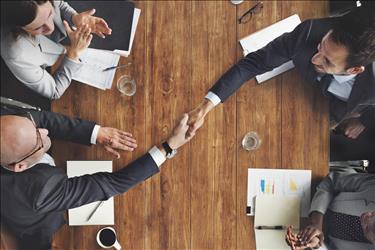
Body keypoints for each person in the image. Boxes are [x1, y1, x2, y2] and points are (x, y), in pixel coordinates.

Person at [0, 106, 195, 250]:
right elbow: (110, 183)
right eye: (37, 140)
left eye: (34, 126)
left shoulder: (9, 126)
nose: (44, 130)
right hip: (42, 227)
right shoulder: (39, 191)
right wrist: (169, 146)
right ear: (19, 166)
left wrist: (96, 133)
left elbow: (41, 118)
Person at [186, 6, 375, 153]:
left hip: (345, 114)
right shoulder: (308, 32)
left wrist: (364, 120)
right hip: (305, 99)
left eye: (327, 61)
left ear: (355, 70)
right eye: (320, 46)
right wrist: (204, 108)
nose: (314, 59)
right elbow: (253, 64)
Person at [0, 0, 112, 99]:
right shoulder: (15, 53)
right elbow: (54, 91)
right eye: (38, 28)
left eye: (49, 14)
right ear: (19, 28)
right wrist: (73, 54)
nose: (50, 28)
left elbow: (60, 4)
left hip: (61, 44)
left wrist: (74, 17)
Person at [285, 171, 375, 250]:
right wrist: (316, 222)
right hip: (310, 192)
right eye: (373, 213)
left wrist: (315, 244)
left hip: (300, 228)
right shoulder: (372, 187)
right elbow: (331, 181)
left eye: (367, 228)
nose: (367, 216)